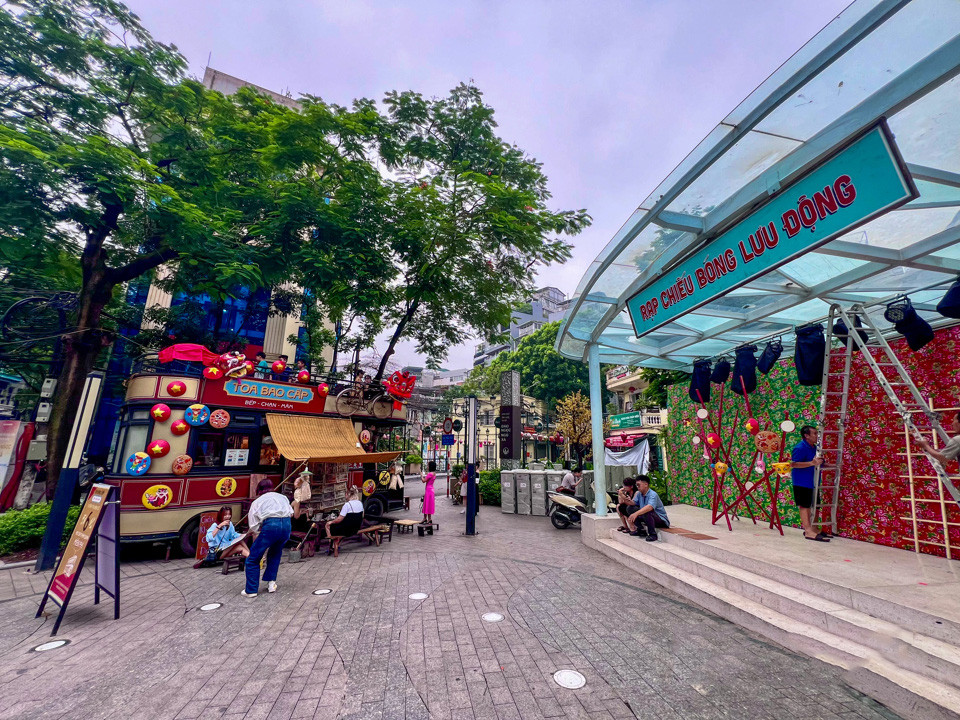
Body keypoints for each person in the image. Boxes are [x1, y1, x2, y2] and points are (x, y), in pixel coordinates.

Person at [243, 478, 294, 598]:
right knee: (275, 553)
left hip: (271, 526)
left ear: (259, 489)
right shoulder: (282, 497)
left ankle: (251, 590)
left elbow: (253, 525)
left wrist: (255, 531)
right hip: (286, 525)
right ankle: (271, 584)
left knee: (253, 558)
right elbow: (290, 513)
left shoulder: (257, 501)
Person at [791, 425, 829, 542]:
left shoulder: (815, 448)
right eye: (814, 434)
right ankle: (807, 531)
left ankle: (814, 528)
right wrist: (812, 463)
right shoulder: (800, 448)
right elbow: (794, 464)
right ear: (806, 436)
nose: (817, 436)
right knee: (805, 506)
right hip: (802, 482)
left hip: (814, 482)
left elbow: (817, 463)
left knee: (816, 505)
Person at [623, 474, 670, 542]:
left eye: (639, 485)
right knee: (630, 508)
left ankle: (653, 534)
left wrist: (636, 514)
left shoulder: (653, 494)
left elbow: (650, 507)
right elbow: (632, 503)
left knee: (647, 510)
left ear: (646, 484)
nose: (637, 487)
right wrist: (622, 495)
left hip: (661, 520)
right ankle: (641, 530)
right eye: (637, 485)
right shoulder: (639, 494)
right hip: (648, 517)